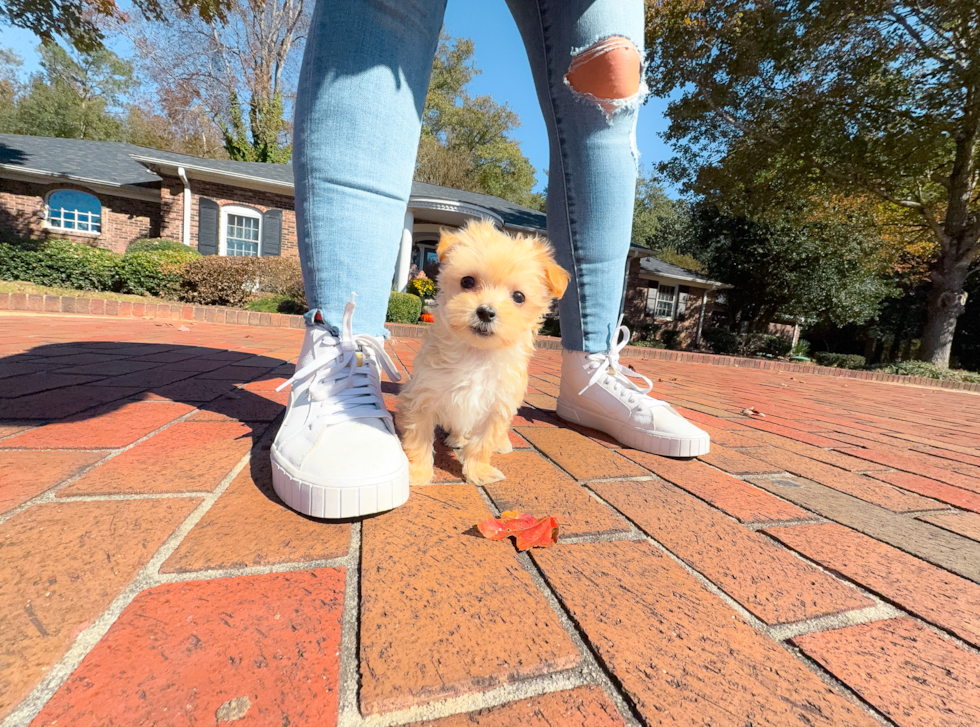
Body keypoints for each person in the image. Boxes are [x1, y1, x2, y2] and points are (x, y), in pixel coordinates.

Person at [271, 0, 710, 520]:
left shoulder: (519, 350)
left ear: (543, 298)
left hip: (498, 392)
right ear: (447, 275)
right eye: (471, 283)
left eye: (516, 296)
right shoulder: (443, 339)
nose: (487, 304)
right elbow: (417, 404)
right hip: (430, 387)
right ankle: (345, 350)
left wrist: (479, 452)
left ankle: (593, 365)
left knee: (612, 75)